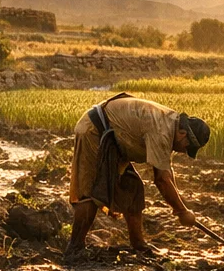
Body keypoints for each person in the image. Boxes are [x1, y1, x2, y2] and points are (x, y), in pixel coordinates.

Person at [65, 93, 210, 259]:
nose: (184, 151)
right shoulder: (163, 131)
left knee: (133, 187)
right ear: (183, 133)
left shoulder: (171, 124)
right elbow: (161, 180)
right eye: (187, 147)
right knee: (89, 191)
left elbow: (166, 173)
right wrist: (181, 211)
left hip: (115, 141)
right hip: (95, 130)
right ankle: (75, 248)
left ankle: (138, 245)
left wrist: (181, 207)